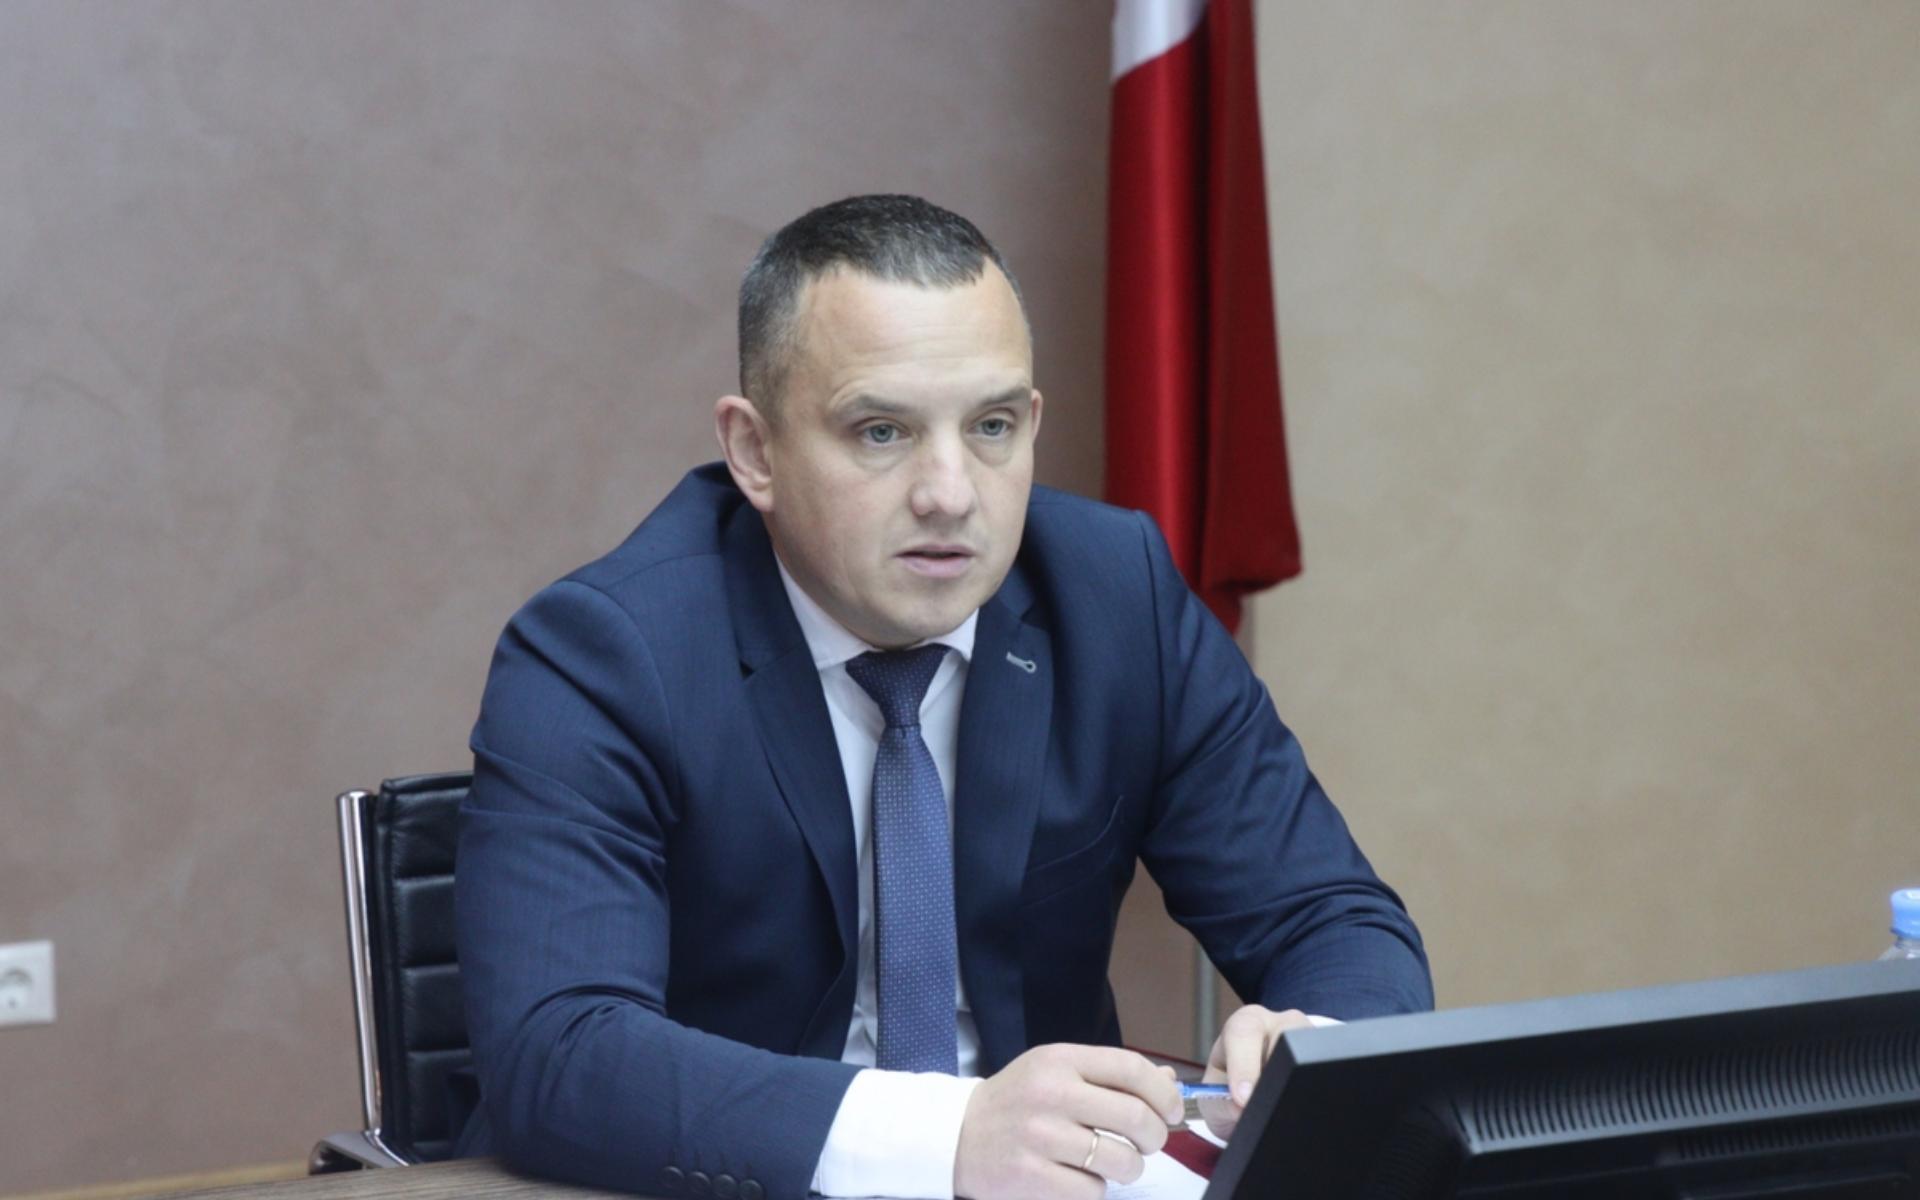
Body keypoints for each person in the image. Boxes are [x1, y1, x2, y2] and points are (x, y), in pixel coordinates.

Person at [452, 194, 1431, 1200]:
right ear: (755, 452)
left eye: (992, 427)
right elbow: (561, 1055)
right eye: (882, 432)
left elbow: (1332, 916)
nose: (951, 494)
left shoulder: (1114, 596)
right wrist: (949, 1135)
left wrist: (1320, 1048)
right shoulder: (606, 653)